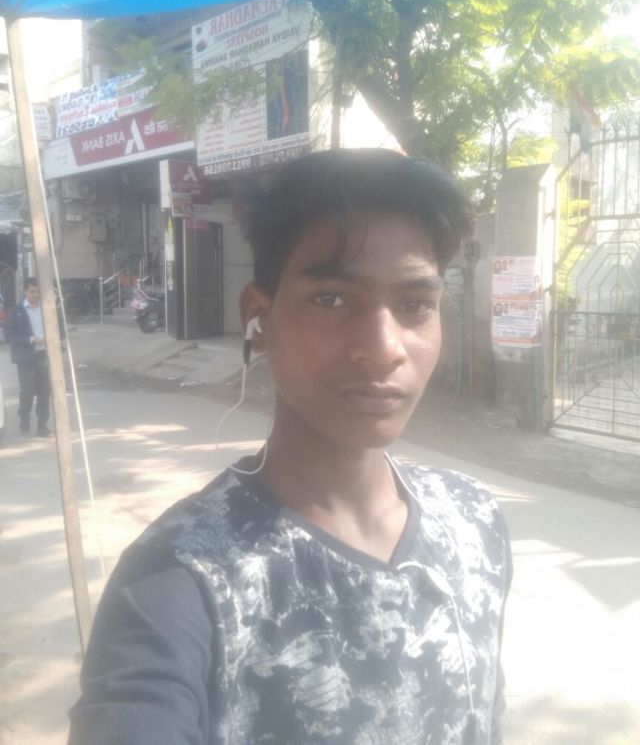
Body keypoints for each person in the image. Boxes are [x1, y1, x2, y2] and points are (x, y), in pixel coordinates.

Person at [68, 149, 512, 745]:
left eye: (415, 306)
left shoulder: (475, 519)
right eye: (332, 299)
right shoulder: (178, 581)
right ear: (259, 316)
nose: (385, 348)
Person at [4, 277, 52, 437]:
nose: (36, 295)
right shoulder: (17, 311)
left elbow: (57, 327)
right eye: (32, 291)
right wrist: (31, 339)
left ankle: (42, 425)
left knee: (44, 392)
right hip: (25, 358)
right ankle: (24, 416)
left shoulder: (47, 308)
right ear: (25, 291)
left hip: (43, 355)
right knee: (28, 391)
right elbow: (9, 335)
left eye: (38, 292)